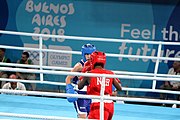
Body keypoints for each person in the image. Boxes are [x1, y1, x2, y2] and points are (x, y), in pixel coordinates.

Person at [78, 51, 122, 120]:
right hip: (110, 105)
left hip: (98, 105)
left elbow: (79, 86)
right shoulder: (110, 73)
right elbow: (119, 88)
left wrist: (84, 74)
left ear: (92, 60)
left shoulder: (90, 74)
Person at [65, 43, 96, 118]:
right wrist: (70, 90)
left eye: (90, 54)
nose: (89, 56)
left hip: (90, 95)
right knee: (82, 116)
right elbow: (68, 78)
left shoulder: (95, 66)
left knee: (91, 117)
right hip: (79, 94)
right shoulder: (79, 66)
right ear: (83, 54)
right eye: (87, 54)